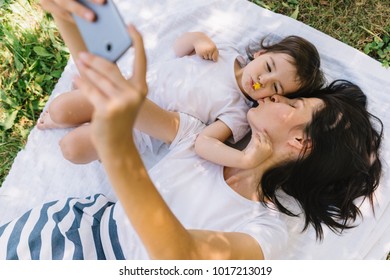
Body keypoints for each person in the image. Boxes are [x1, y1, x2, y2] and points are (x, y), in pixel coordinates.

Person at [0, 23, 382, 259]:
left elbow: (178, 257)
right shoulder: (195, 135)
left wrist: (118, 155)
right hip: (65, 223)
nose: (273, 95)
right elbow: (125, 102)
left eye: (293, 101)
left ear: (302, 143)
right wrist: (77, 26)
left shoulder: (266, 230)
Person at [37, 0, 325, 169]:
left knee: (72, 149)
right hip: (136, 88)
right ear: (261, 54)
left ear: (273, 99)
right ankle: (68, 117)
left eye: (275, 87)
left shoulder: (238, 114)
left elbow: (205, 142)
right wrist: (198, 38)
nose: (262, 81)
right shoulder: (224, 51)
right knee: (61, 109)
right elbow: (177, 48)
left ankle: (92, 128)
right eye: (268, 68)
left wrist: (244, 158)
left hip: (141, 131)